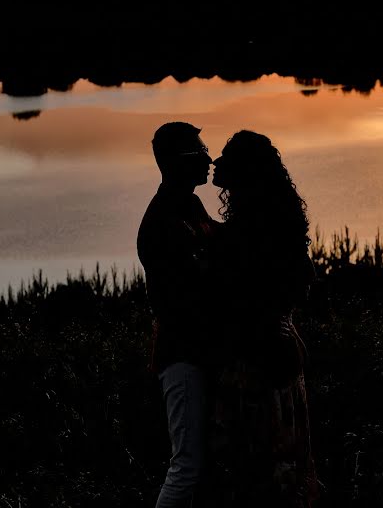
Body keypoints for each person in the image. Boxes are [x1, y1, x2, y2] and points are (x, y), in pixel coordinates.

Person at [210, 130, 319, 508]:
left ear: (244, 174)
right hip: (281, 359)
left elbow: (236, 299)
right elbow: (303, 281)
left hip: (256, 370)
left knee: (259, 471)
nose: (215, 163)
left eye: (226, 158)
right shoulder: (278, 224)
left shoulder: (245, 234)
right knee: (283, 468)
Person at [137, 122, 218, 508]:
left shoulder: (190, 205)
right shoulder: (159, 224)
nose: (208, 158)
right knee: (186, 465)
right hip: (181, 358)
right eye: (199, 151)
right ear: (176, 161)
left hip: (200, 353)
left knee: (203, 467)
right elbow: (189, 292)